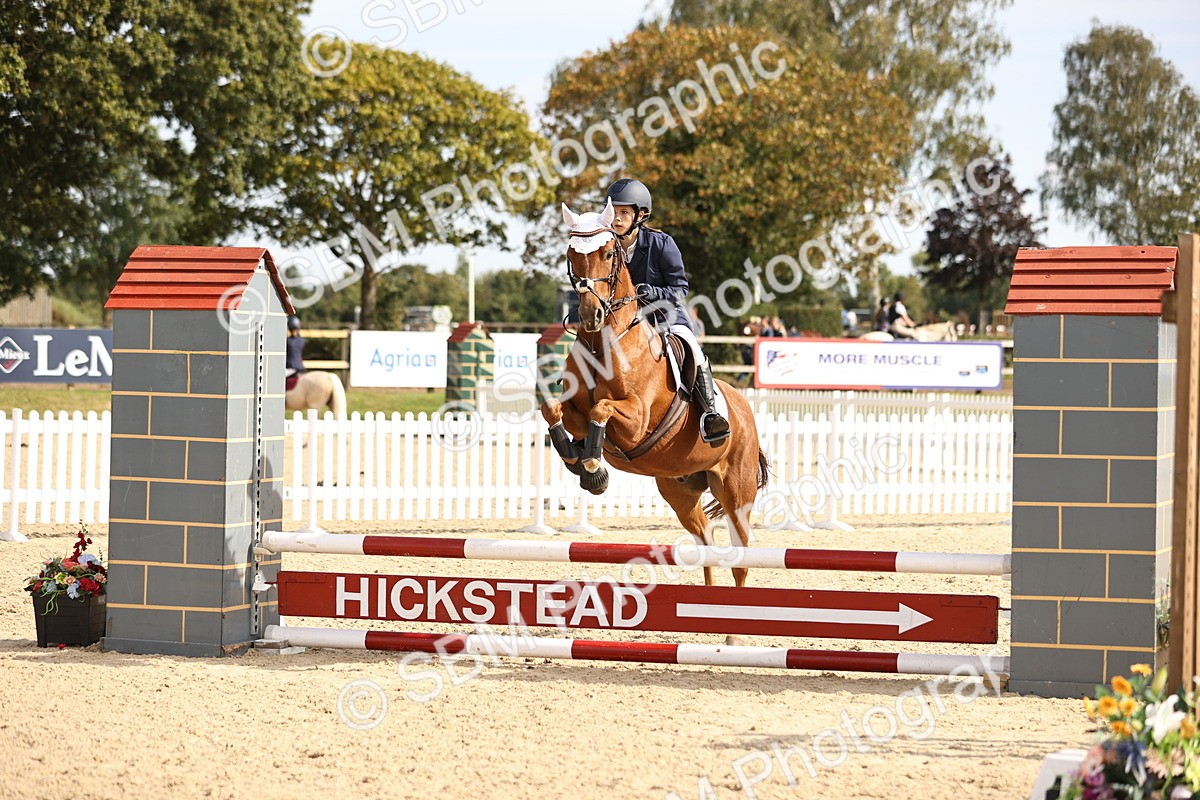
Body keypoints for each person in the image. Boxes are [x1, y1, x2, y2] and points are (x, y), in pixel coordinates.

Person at [595, 177, 730, 444]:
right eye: (614, 212)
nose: (617, 219)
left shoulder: (661, 243)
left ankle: (709, 414)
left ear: (640, 215)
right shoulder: (604, 246)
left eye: (624, 212)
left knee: (690, 345)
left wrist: (655, 292)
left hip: (663, 316)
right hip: (623, 322)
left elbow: (680, 288)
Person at [285, 315, 305, 391]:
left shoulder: (288, 341)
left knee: (279, 377)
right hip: (301, 367)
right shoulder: (301, 340)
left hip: (291, 368)